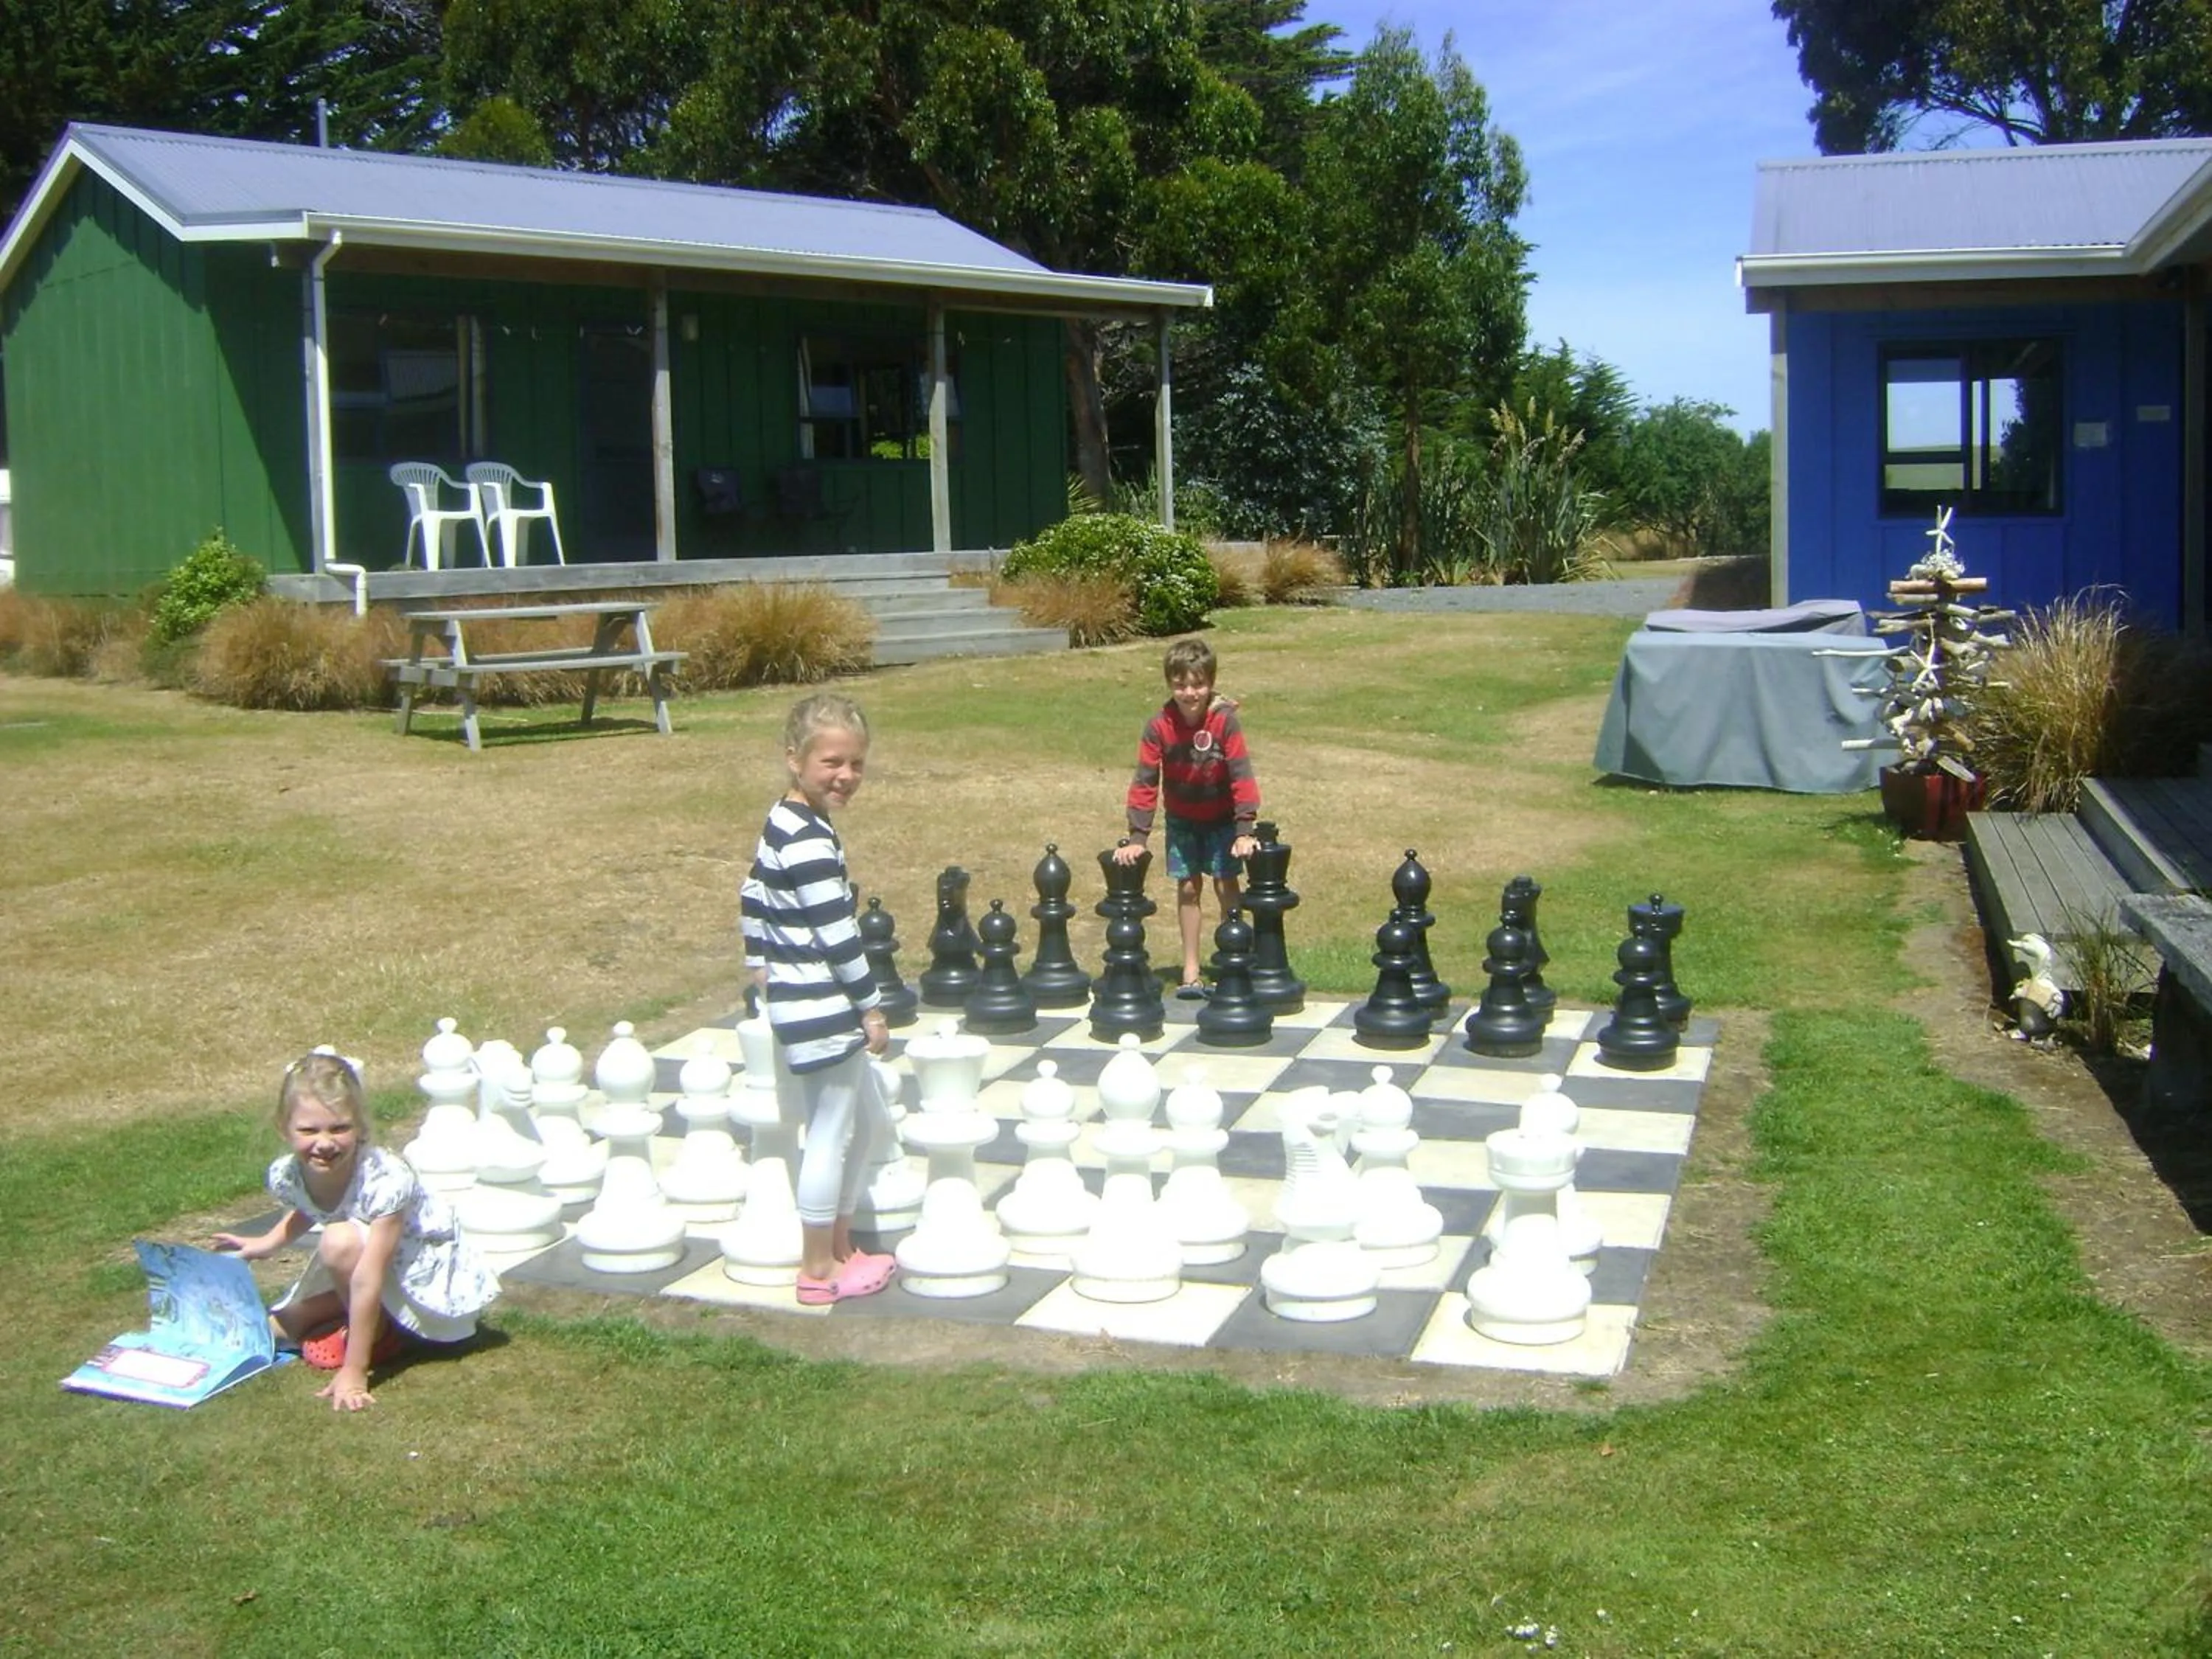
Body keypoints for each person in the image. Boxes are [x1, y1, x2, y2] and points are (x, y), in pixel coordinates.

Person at [214, 1050, 499, 1411]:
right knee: (274, 1328)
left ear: (361, 1127)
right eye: (308, 1130)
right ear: (284, 1128)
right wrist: (266, 1244)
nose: (324, 1143)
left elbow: (368, 1274)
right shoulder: (289, 1173)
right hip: (368, 1264)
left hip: (418, 1277)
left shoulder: (387, 1177)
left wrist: (355, 1369)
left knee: (338, 1239)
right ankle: (364, 1321)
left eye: (339, 1128)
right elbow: (308, 1205)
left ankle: (379, 1335)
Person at [740, 692, 897, 1306]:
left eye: (856, 764)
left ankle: (839, 1245)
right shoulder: (805, 836)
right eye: (832, 762)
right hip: (825, 1005)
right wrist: (871, 1006)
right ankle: (818, 1270)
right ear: (793, 758)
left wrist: (760, 962)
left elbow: (749, 892)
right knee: (832, 1133)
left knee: (867, 1124)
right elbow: (837, 932)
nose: (847, 776)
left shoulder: (788, 819)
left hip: (803, 998)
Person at [1114, 636, 1261, 996]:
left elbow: (1242, 774)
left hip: (1223, 818)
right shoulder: (1158, 727)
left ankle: (1236, 957)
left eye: (1198, 685)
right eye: (1181, 685)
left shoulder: (1225, 723)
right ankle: (1191, 970)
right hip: (1182, 819)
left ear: (1210, 684)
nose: (1190, 693)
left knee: (1226, 884)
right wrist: (1138, 837)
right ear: (1170, 685)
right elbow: (1146, 781)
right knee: (1188, 888)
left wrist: (1245, 829)